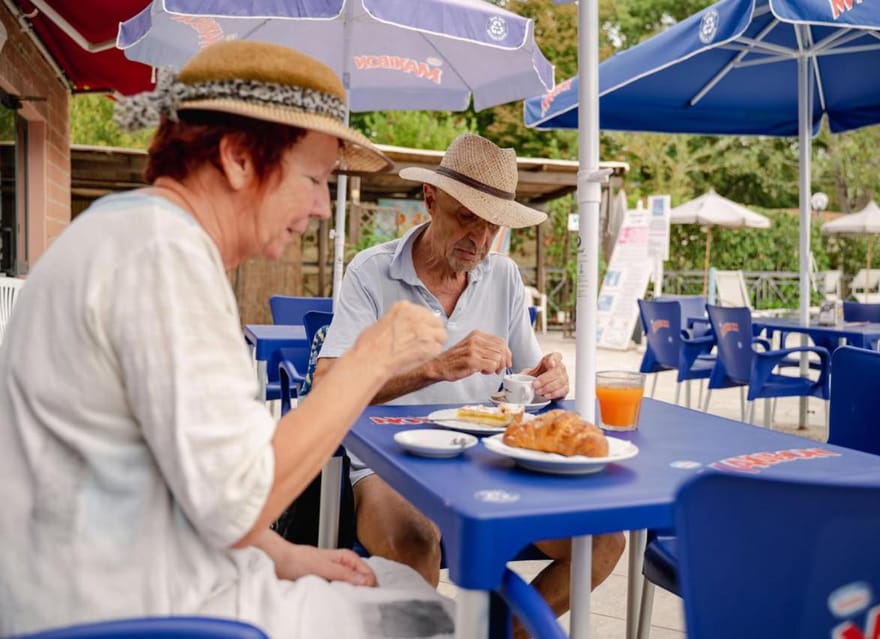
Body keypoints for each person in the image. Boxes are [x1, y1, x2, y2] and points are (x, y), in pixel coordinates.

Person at [0, 41, 455, 639]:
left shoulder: (131, 231)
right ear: (239, 157)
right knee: (439, 615)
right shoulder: (162, 256)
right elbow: (241, 497)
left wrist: (285, 554)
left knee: (400, 586)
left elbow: (190, 475)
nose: (322, 206)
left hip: (106, 583)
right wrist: (372, 357)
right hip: (133, 611)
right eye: (315, 178)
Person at [313, 133, 626, 630]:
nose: (479, 239)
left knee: (605, 540)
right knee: (417, 544)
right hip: (390, 464)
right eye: (466, 218)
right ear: (430, 199)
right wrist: (435, 366)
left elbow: (525, 375)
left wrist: (549, 378)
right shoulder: (371, 272)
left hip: (490, 462)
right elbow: (326, 386)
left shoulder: (502, 276)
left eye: (492, 226)